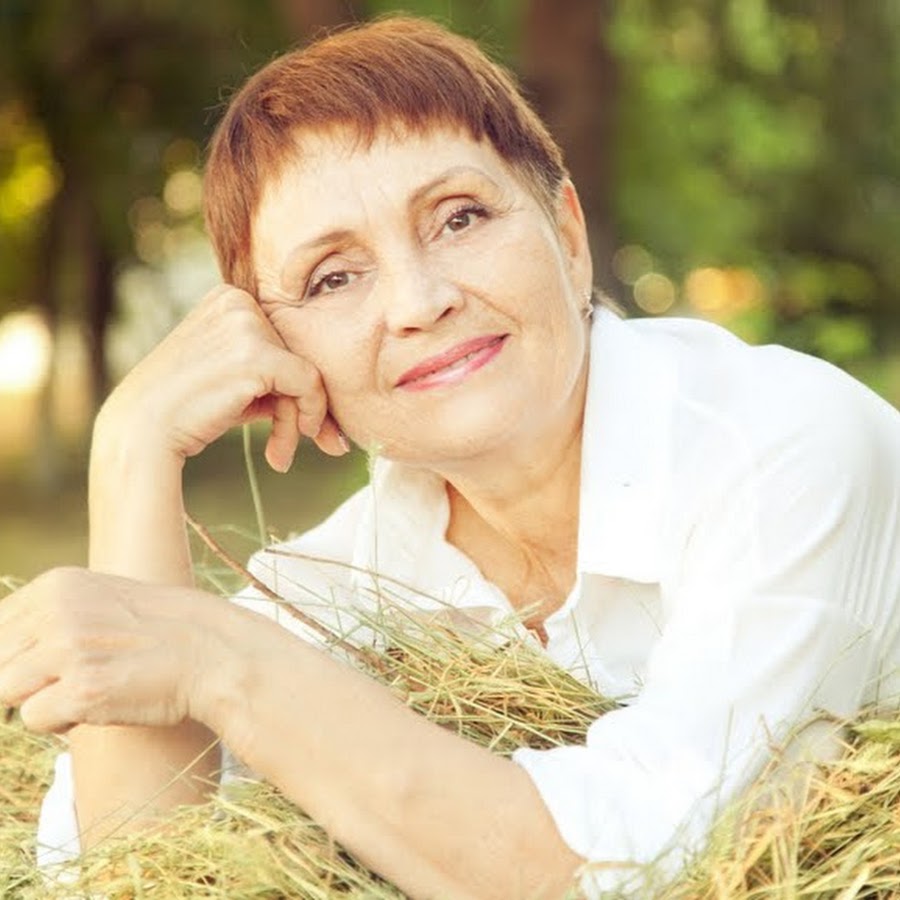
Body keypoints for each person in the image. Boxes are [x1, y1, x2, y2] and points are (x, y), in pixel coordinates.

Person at [1, 15, 899, 899]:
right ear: (281, 349)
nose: (419, 302)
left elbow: (657, 869)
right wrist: (131, 453)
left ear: (571, 236)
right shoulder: (351, 582)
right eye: (333, 277)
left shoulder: (784, 447)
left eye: (459, 217)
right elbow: (135, 870)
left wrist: (222, 661)